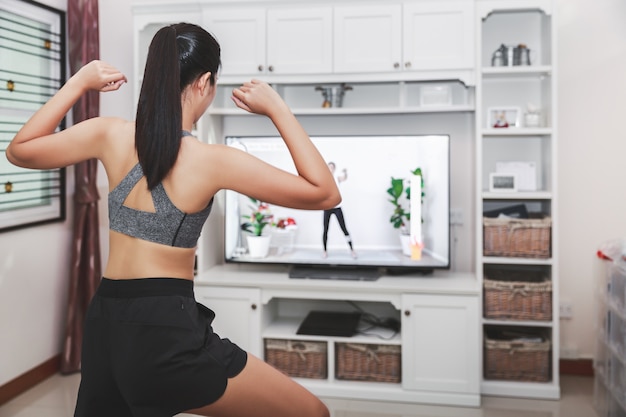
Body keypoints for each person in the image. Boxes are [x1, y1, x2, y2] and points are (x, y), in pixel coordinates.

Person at [6, 23, 339, 417]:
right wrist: (277, 108)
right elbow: (325, 193)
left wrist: (79, 82)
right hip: (164, 328)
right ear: (205, 83)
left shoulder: (109, 135)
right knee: (311, 412)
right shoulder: (213, 161)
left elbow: (19, 150)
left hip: (105, 322)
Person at [322, 162, 356, 259]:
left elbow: (344, 178)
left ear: (334, 169)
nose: (330, 169)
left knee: (344, 229)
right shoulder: (324, 180)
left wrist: (345, 172)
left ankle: (352, 250)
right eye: (329, 167)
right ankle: (325, 251)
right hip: (327, 208)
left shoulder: (337, 178)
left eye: (332, 168)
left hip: (337, 208)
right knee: (325, 230)